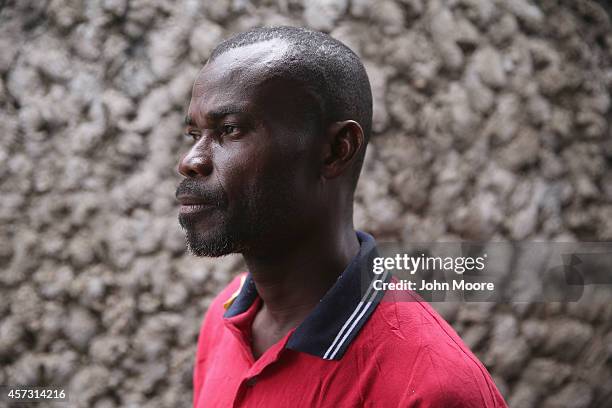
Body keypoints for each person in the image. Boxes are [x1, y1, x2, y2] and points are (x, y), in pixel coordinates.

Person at [176, 26, 507, 408]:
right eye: (193, 134)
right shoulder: (225, 319)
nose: (190, 161)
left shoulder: (430, 388)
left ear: (335, 150)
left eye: (229, 130)